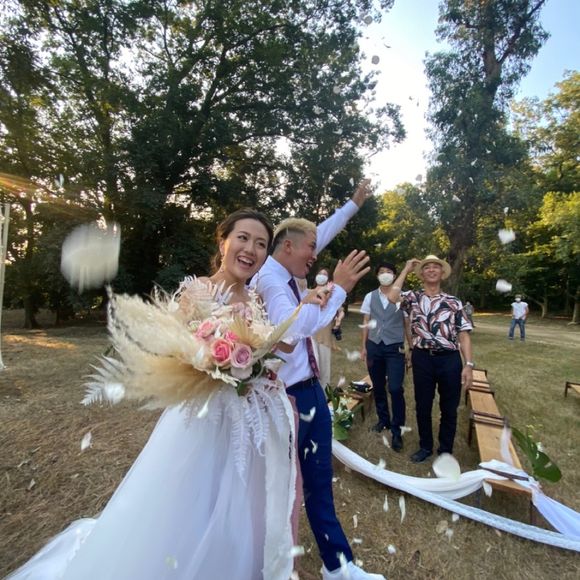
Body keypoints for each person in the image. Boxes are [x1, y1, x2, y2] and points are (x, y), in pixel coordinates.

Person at [7, 209, 298, 580]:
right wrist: (212, 359)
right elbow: (174, 349)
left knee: (238, 504)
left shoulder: (256, 298)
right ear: (223, 241)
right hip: (203, 419)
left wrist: (261, 371)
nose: (250, 249)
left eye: (260, 244)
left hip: (244, 425)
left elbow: (269, 349)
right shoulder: (199, 290)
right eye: (242, 238)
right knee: (187, 504)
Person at [254, 180, 386, 580]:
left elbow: (318, 232)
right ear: (287, 246)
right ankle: (316, 566)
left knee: (317, 482)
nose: (316, 254)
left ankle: (337, 567)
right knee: (301, 485)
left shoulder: (287, 269)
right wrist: (339, 288)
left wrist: (353, 205)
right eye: (310, 248)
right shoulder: (271, 281)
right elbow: (290, 330)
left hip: (308, 391)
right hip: (292, 398)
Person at [387, 255, 474, 464]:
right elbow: (391, 296)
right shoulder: (412, 297)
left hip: (450, 360)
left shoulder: (454, 302)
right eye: (427, 267)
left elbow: (463, 335)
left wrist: (469, 364)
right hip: (422, 358)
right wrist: (406, 270)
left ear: (442, 273)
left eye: (436, 267)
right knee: (423, 406)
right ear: (422, 274)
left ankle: (445, 450)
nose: (432, 270)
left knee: (449, 408)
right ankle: (425, 446)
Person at [360, 262, 410, 451]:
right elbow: (366, 321)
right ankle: (384, 420)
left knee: (395, 388)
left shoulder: (402, 296)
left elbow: (406, 323)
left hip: (394, 347)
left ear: (395, 275)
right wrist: (364, 346)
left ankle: (397, 431)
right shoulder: (369, 296)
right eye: (382, 272)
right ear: (377, 276)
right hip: (374, 346)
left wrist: (410, 347)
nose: (385, 274)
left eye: (389, 271)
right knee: (378, 386)